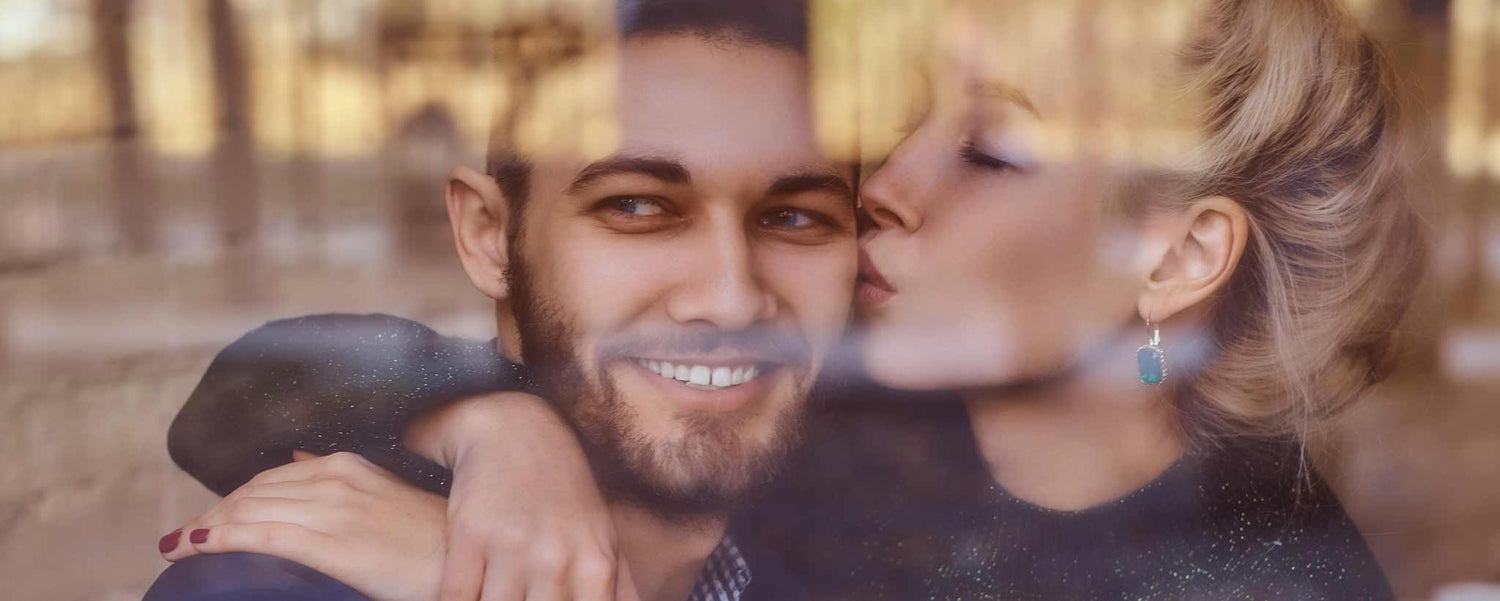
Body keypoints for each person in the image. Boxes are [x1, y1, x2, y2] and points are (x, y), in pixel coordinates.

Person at [161, 0, 1425, 599]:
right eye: (906, 128)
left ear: (1176, 255)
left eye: (990, 153)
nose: (885, 191)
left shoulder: (1266, 581)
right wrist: (501, 432)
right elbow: (245, 386)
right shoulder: (840, 407)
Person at [145, 2, 859, 601]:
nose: (732, 300)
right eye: (636, 206)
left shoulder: (851, 545)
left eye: (794, 217)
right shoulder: (275, 587)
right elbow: (248, 385)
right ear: (489, 235)